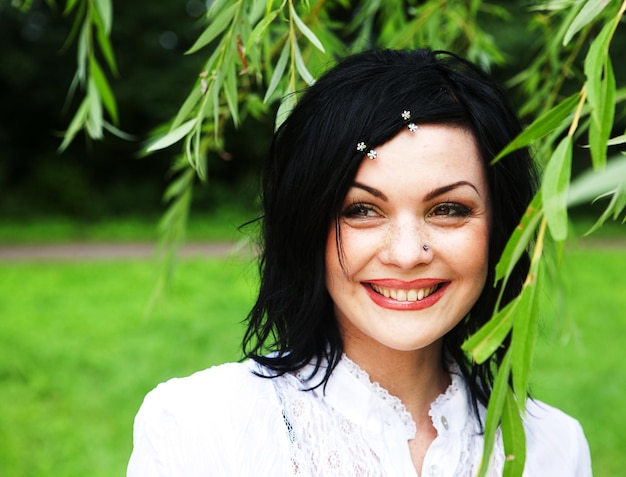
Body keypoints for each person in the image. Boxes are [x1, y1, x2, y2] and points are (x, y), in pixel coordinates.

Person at [127, 49, 592, 476]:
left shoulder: (553, 447)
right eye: (361, 210)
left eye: (448, 209)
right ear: (307, 224)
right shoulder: (198, 428)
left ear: (504, 227)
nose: (408, 254)